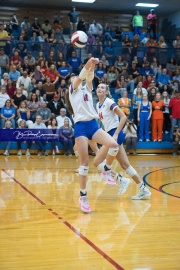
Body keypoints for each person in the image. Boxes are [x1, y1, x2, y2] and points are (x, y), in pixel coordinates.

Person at [69, 57, 119, 213]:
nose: (75, 78)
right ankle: (83, 196)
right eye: (73, 78)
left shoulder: (87, 88)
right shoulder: (72, 89)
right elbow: (82, 76)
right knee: (84, 163)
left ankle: (107, 169)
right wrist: (88, 62)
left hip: (92, 125)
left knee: (113, 145)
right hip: (80, 127)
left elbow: (89, 77)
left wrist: (93, 65)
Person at [94, 83, 151, 200]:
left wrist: (114, 135)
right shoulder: (97, 105)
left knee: (97, 161)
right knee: (125, 165)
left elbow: (124, 117)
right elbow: (101, 123)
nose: (100, 89)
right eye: (98, 87)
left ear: (106, 92)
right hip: (108, 134)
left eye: (102, 88)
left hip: (115, 134)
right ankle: (143, 189)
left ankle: (120, 179)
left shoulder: (109, 102)